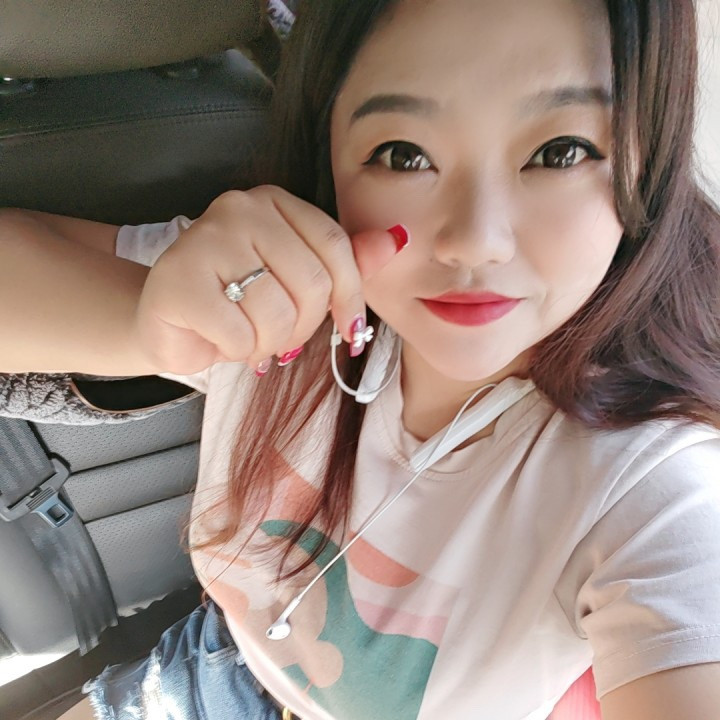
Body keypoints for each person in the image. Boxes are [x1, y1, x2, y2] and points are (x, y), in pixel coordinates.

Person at [2, 0, 720, 718]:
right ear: (332, 150)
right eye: (403, 154)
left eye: (560, 151)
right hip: (223, 667)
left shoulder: (658, 490)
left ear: (646, 158)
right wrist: (146, 324)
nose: (475, 241)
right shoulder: (293, 291)